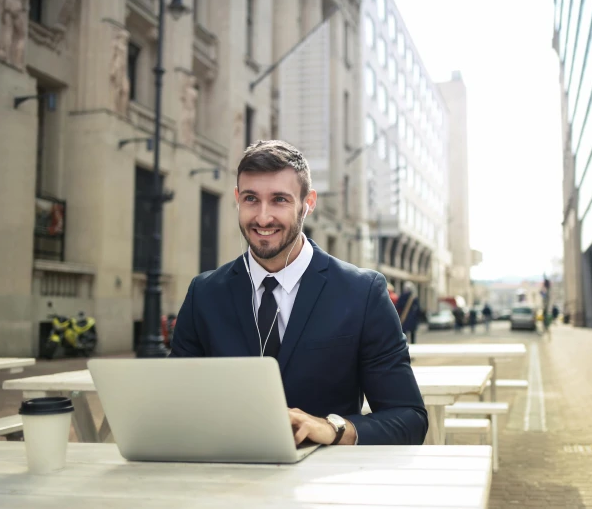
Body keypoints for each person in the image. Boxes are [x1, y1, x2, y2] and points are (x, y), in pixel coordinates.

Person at [170, 140, 427, 446]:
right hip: (225, 474)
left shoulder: (363, 292)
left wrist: (333, 428)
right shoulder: (204, 293)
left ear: (308, 203)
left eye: (280, 200)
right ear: (237, 199)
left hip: (322, 481)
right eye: (251, 199)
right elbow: (177, 405)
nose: (263, 218)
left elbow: (408, 418)